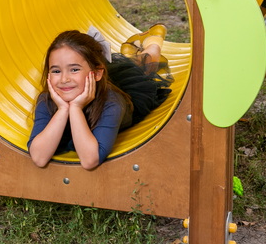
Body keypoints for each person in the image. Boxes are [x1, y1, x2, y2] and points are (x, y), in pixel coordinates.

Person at [27, 27, 172, 170]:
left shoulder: (112, 103)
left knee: (146, 65)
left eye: (74, 69)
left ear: (96, 74)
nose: (64, 79)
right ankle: (130, 52)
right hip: (92, 78)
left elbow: (90, 160)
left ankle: (154, 40)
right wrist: (63, 109)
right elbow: (39, 158)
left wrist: (76, 107)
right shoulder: (47, 100)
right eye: (56, 71)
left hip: (123, 87)